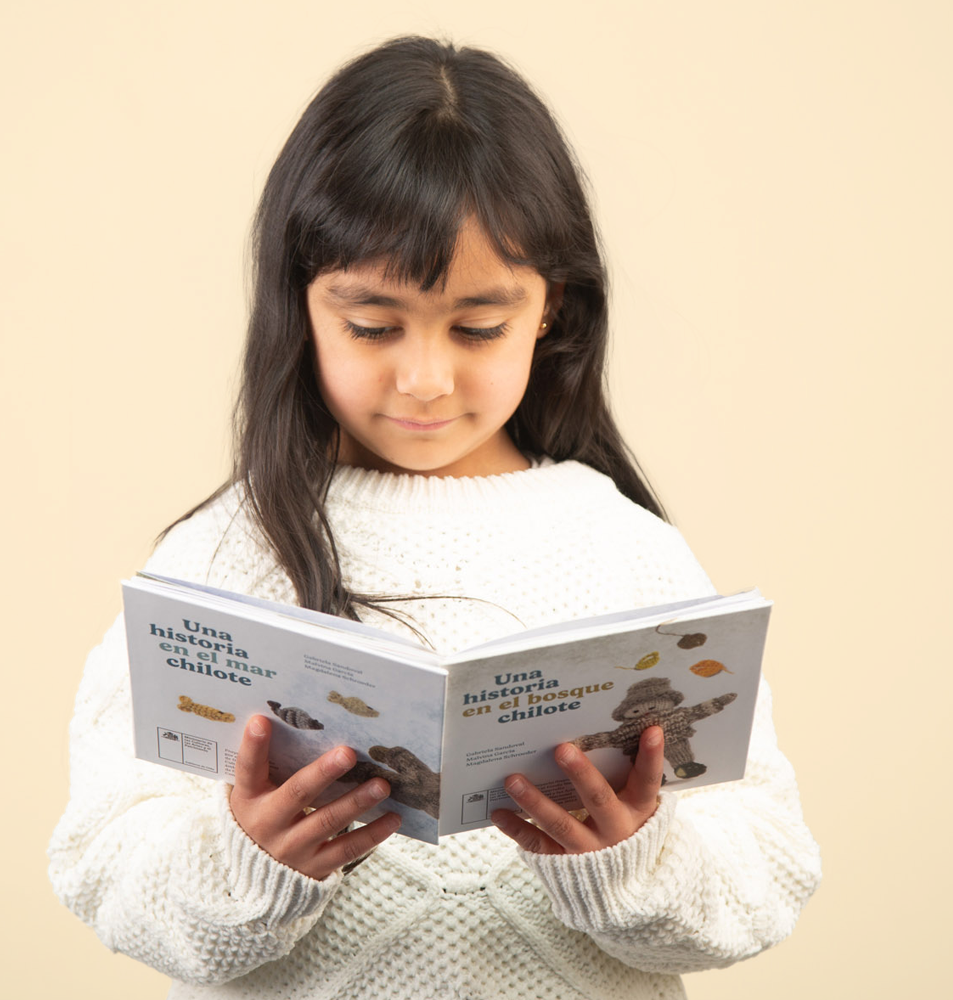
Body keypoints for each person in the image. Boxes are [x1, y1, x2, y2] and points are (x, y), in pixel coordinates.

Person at [48, 35, 820, 1000]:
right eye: (370, 325)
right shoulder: (216, 554)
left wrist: (630, 862)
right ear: (301, 304)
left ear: (550, 311)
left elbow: (769, 869)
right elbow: (100, 859)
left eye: (478, 328)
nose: (423, 379)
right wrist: (245, 860)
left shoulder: (625, 548)